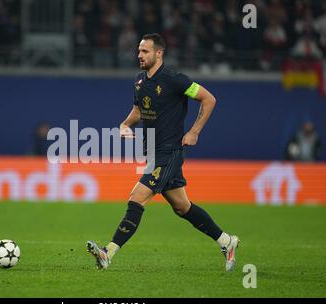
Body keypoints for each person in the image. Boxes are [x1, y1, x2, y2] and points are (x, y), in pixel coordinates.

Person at [87, 33, 240, 272]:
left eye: (145, 51)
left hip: (169, 153)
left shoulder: (174, 79)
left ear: (159, 53)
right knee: (182, 207)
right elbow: (138, 112)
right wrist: (125, 125)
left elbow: (209, 99)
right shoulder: (139, 81)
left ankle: (108, 253)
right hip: (153, 153)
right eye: (139, 51)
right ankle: (227, 242)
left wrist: (195, 131)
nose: (139, 55)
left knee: (137, 198)